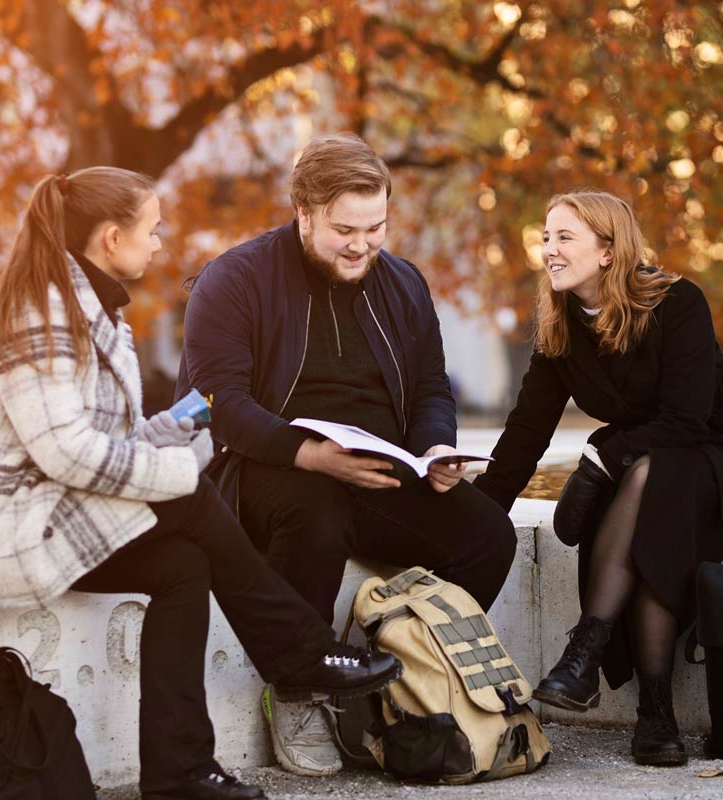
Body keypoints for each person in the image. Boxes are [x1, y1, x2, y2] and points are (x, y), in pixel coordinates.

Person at [0, 167, 400, 800]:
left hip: (39, 508)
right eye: (152, 231)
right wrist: (180, 470)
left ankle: (179, 773)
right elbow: (68, 454)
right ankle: (300, 655)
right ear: (111, 238)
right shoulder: (37, 315)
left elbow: (102, 441)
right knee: (188, 495)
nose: (159, 244)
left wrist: (178, 428)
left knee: (182, 565)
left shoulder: (83, 306)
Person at [175, 133, 517, 777]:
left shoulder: (404, 283)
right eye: (343, 229)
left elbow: (428, 387)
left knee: (488, 536)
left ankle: (392, 673)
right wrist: (309, 454)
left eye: (376, 226)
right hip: (264, 470)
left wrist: (435, 447)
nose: (361, 244)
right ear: (302, 212)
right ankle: (299, 688)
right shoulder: (234, 279)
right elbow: (220, 403)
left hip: (379, 467)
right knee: (318, 509)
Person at [472, 191, 723, 766]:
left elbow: (686, 418)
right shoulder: (560, 325)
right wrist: (480, 513)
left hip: (711, 453)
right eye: (546, 238)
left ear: (608, 252)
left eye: (565, 238)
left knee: (650, 484)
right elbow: (527, 430)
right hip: (643, 467)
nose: (549, 251)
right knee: (647, 504)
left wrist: (603, 458)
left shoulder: (678, 301)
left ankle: (588, 649)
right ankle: (653, 714)